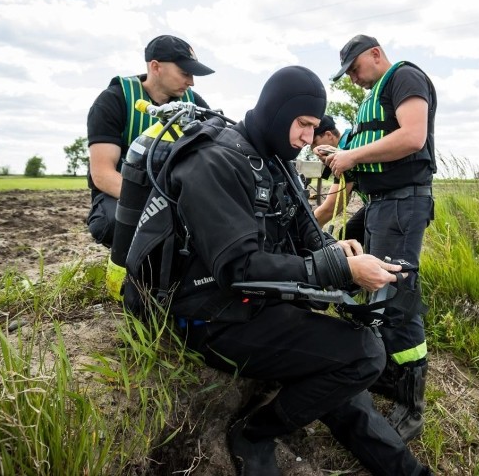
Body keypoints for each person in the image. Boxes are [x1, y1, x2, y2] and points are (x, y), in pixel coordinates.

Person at [124, 65, 431, 476]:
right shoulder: (213, 163)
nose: (308, 137)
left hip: (256, 303)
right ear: (276, 110)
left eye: (313, 127)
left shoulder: (273, 158)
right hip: (209, 316)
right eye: (302, 124)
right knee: (364, 355)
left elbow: (304, 226)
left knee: (347, 378)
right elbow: (238, 268)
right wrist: (341, 270)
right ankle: (254, 432)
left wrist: (336, 250)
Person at [326, 34, 437, 442]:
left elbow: (412, 138)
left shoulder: (404, 78)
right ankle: (384, 370)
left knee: (397, 295)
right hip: (380, 205)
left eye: (355, 68)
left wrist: (351, 155)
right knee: (355, 276)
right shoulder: (373, 97)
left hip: (403, 204)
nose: (353, 79)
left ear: (375, 55)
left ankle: (412, 405)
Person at [85, 34, 214, 247]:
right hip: (123, 190)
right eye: (185, 73)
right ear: (155, 67)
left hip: (175, 191)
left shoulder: (194, 104)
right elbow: (102, 174)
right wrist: (157, 205)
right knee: (112, 224)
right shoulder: (114, 100)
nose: (191, 82)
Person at [311, 114, 365, 242]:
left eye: (314, 142)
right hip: (377, 202)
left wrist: (302, 230)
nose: (313, 149)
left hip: (390, 201)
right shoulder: (351, 138)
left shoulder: (345, 151)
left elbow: (330, 208)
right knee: (349, 234)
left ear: (329, 135)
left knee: (350, 236)